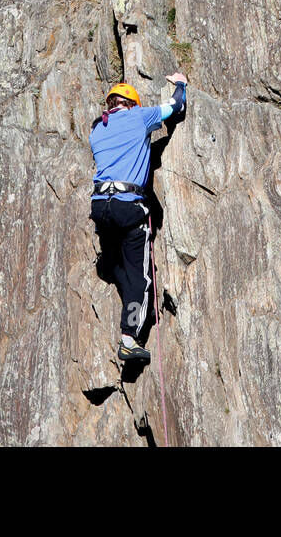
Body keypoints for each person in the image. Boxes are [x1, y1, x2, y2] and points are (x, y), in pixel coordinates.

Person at [89, 75, 187, 363]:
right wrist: (181, 84)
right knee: (139, 278)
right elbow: (175, 106)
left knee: (114, 263)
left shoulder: (97, 129)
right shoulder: (139, 117)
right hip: (129, 208)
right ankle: (130, 337)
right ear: (131, 104)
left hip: (100, 207)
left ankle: (125, 295)